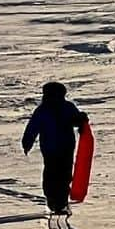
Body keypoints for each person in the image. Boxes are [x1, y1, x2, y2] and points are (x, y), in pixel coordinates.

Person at [22, 81, 88, 216]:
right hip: (65, 147)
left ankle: (54, 201)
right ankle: (60, 202)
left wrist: (27, 142)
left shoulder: (43, 109)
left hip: (51, 148)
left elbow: (32, 127)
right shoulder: (66, 107)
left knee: (52, 174)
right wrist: (81, 119)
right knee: (62, 175)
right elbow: (76, 121)